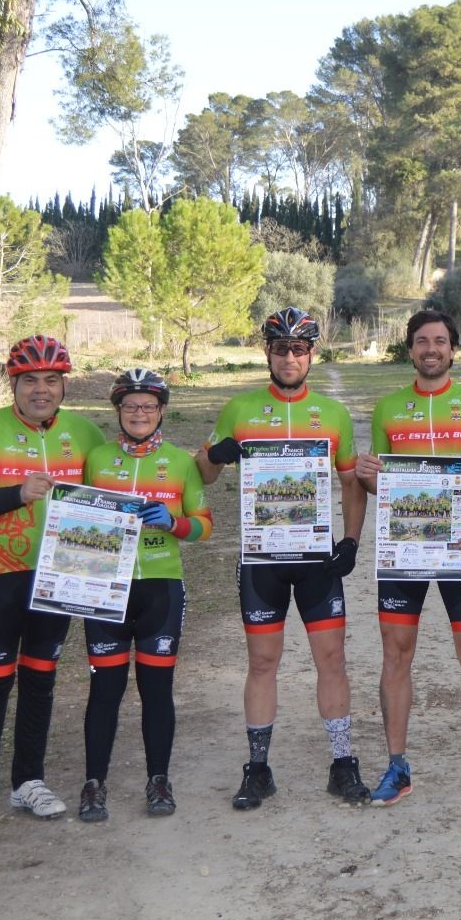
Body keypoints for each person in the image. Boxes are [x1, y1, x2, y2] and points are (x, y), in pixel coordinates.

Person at [196, 307, 372, 809]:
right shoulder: (240, 408)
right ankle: (257, 769)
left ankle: (342, 764)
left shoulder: (333, 414)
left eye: (298, 349)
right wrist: (215, 455)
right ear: (267, 353)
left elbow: (349, 483)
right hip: (262, 559)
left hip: (317, 558)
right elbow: (205, 475)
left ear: (312, 354)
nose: (289, 357)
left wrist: (353, 541)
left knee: (332, 659)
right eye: (280, 348)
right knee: (263, 662)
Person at [0, 335, 105, 839]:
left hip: (62, 575)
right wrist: (17, 493)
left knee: (40, 678)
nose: (41, 390)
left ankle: (28, 780)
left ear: (64, 386)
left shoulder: (85, 433)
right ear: (13, 384)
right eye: (30, 380)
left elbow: (111, 493)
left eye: (51, 380)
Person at [354, 311, 461, 806]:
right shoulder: (387, 409)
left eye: (440, 341)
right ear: (409, 349)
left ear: (452, 350)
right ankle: (397, 766)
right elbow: (378, 478)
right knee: (396, 654)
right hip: (405, 551)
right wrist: (364, 473)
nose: (431, 349)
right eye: (422, 341)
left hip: (460, 550)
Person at [77, 369, 213, 822]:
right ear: (118, 411)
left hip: (160, 588)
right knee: (105, 690)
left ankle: (159, 780)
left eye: (149, 406)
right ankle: (94, 784)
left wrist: (173, 522)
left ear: (162, 412)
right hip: (102, 586)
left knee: (157, 690)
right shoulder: (95, 459)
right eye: (131, 406)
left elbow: (204, 525)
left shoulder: (179, 462)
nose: (140, 413)